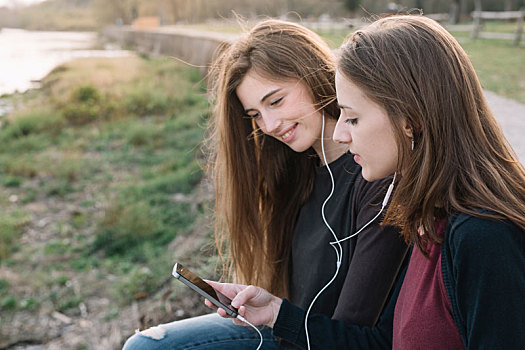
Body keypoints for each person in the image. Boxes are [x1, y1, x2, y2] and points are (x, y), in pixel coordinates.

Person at [206, 15, 525, 349]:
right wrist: (275, 311)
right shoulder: (427, 219)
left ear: (411, 119)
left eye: (353, 118)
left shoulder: (483, 236)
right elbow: (382, 342)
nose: (341, 133)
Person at [122, 19, 408, 349]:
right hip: (292, 331)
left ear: (314, 75)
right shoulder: (297, 173)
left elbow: (357, 331)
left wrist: (277, 313)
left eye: (276, 101)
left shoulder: (376, 177)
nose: (269, 125)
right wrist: (267, 306)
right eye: (255, 114)